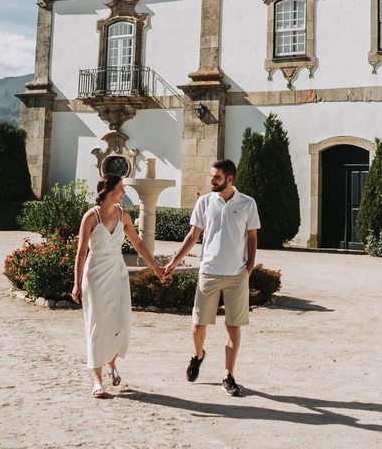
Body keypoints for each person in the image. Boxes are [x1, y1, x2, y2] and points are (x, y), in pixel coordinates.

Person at [164, 158, 260, 396]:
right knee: (198, 325)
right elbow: (192, 235)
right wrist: (174, 262)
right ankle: (198, 355)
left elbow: (252, 237)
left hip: (236, 274)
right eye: (211, 176)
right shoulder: (204, 202)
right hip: (208, 271)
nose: (212, 180)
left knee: (233, 327)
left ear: (230, 178)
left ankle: (228, 375)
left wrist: (249, 267)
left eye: (216, 177)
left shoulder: (247, 203)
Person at [71, 174, 165, 398]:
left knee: (121, 324)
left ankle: (111, 362)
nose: (124, 192)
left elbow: (138, 243)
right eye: (121, 188)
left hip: (118, 273)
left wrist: (156, 267)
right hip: (95, 274)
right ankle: (97, 379)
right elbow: (81, 252)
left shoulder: (124, 215)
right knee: (97, 325)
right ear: (108, 190)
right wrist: (76, 283)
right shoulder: (91, 217)